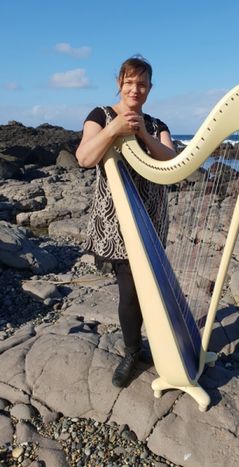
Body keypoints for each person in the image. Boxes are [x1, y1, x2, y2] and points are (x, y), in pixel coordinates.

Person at [76, 56, 176, 387]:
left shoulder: (157, 124)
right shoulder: (100, 115)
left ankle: (145, 345)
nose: (136, 88)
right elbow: (85, 157)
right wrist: (116, 129)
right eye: (130, 82)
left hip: (152, 215)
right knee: (130, 289)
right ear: (120, 82)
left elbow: (171, 160)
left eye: (143, 83)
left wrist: (144, 135)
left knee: (150, 287)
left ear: (150, 88)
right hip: (116, 216)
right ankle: (132, 351)